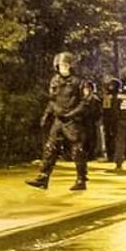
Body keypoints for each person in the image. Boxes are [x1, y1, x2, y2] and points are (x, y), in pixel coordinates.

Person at [27, 52, 89, 190]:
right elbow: (52, 100)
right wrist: (46, 115)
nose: (63, 67)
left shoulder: (80, 82)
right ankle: (43, 177)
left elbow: (86, 102)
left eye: (66, 65)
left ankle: (81, 180)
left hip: (73, 121)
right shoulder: (55, 80)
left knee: (77, 150)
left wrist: (72, 113)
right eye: (61, 65)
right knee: (50, 148)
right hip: (58, 119)